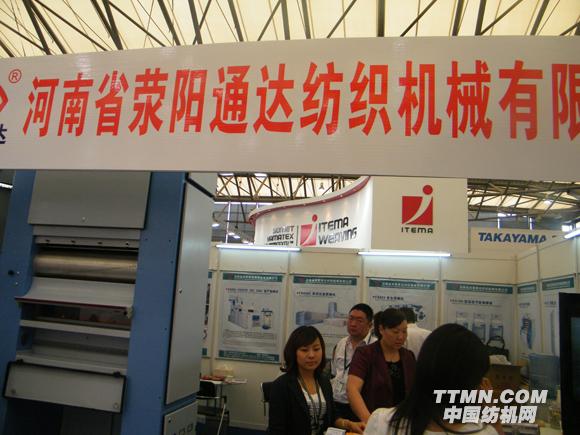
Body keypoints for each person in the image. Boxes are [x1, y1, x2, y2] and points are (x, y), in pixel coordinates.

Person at [364, 324, 504, 435]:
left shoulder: (382, 422)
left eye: (403, 331)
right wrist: (491, 411)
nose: (400, 337)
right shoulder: (483, 432)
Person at [268, 326, 365, 435]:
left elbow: (332, 417)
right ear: (293, 352)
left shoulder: (324, 382)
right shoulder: (282, 385)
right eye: (304, 350)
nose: (311, 355)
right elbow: (277, 429)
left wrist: (350, 425)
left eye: (316, 349)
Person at [347, 308, 416, 423]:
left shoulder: (408, 356)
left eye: (404, 331)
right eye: (395, 332)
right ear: (381, 329)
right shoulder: (365, 354)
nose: (400, 337)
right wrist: (370, 422)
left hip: (403, 422)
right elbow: (352, 389)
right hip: (374, 421)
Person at [331, 303, 376, 422]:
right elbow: (334, 372)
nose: (353, 324)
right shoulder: (341, 343)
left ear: (370, 325)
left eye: (359, 321)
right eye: (351, 318)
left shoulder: (375, 347)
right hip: (336, 403)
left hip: (361, 406)